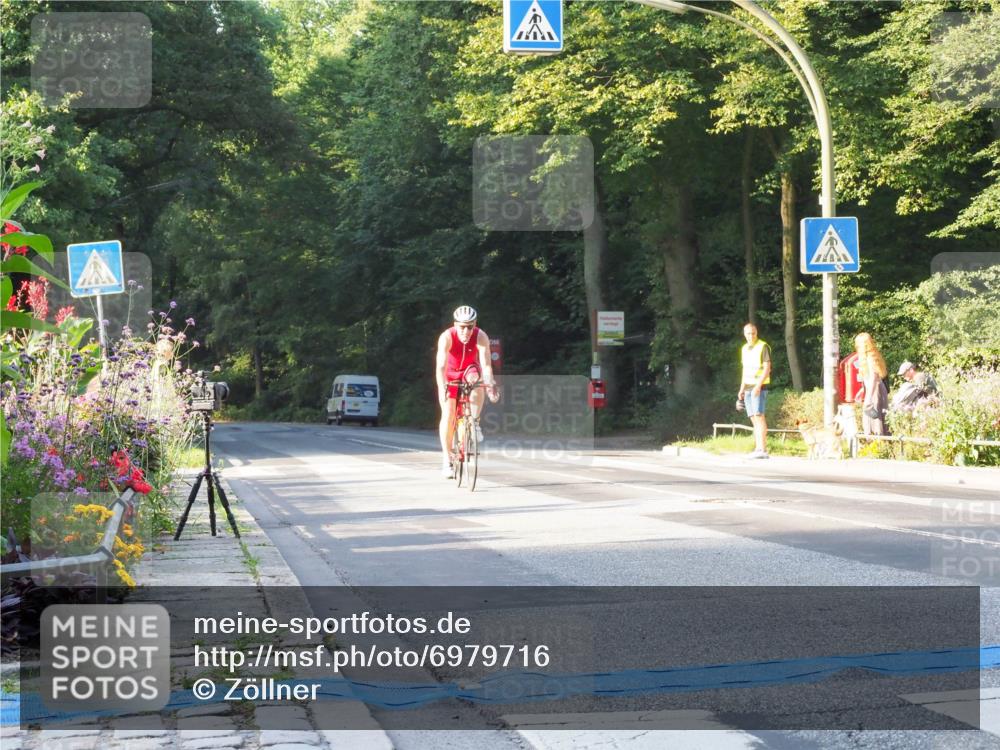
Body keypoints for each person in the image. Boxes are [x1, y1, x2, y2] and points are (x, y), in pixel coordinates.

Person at [436, 306, 498, 478]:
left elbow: (486, 365)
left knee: (478, 383)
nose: (466, 331)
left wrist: (491, 386)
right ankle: (447, 460)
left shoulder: (481, 336)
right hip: (450, 374)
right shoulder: (446, 337)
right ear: (455, 324)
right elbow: (440, 368)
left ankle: (475, 422)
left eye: (470, 326)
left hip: (469, 370)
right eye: (462, 326)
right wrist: (442, 389)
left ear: (475, 324)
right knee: (448, 415)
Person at [738, 322, 771, 458]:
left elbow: (767, 368)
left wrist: (758, 385)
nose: (751, 336)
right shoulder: (744, 348)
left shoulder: (763, 346)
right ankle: (758, 448)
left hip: (759, 387)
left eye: (753, 333)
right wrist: (741, 388)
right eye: (748, 333)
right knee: (753, 418)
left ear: (756, 333)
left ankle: (763, 450)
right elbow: (745, 370)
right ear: (744, 334)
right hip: (748, 387)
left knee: (759, 416)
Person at [854, 332, 889, 436]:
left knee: (874, 417)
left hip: (875, 390)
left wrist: (868, 398)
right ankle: (876, 442)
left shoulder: (870, 358)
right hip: (873, 389)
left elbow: (874, 378)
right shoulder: (868, 357)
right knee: (873, 416)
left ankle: (878, 443)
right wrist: (862, 390)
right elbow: (869, 378)